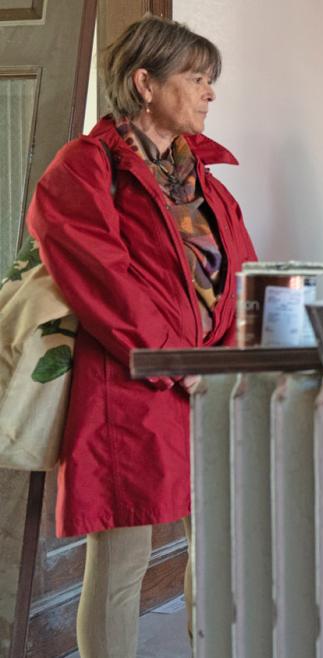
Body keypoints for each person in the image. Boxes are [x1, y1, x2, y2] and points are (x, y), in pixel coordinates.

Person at [25, 16, 256, 656]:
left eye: (212, 80)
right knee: (124, 557)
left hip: (207, 384)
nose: (211, 93)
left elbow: (239, 276)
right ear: (145, 82)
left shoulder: (203, 180)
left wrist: (238, 353)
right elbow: (101, 275)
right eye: (198, 77)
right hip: (128, 390)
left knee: (215, 548)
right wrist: (172, 356)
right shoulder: (85, 166)